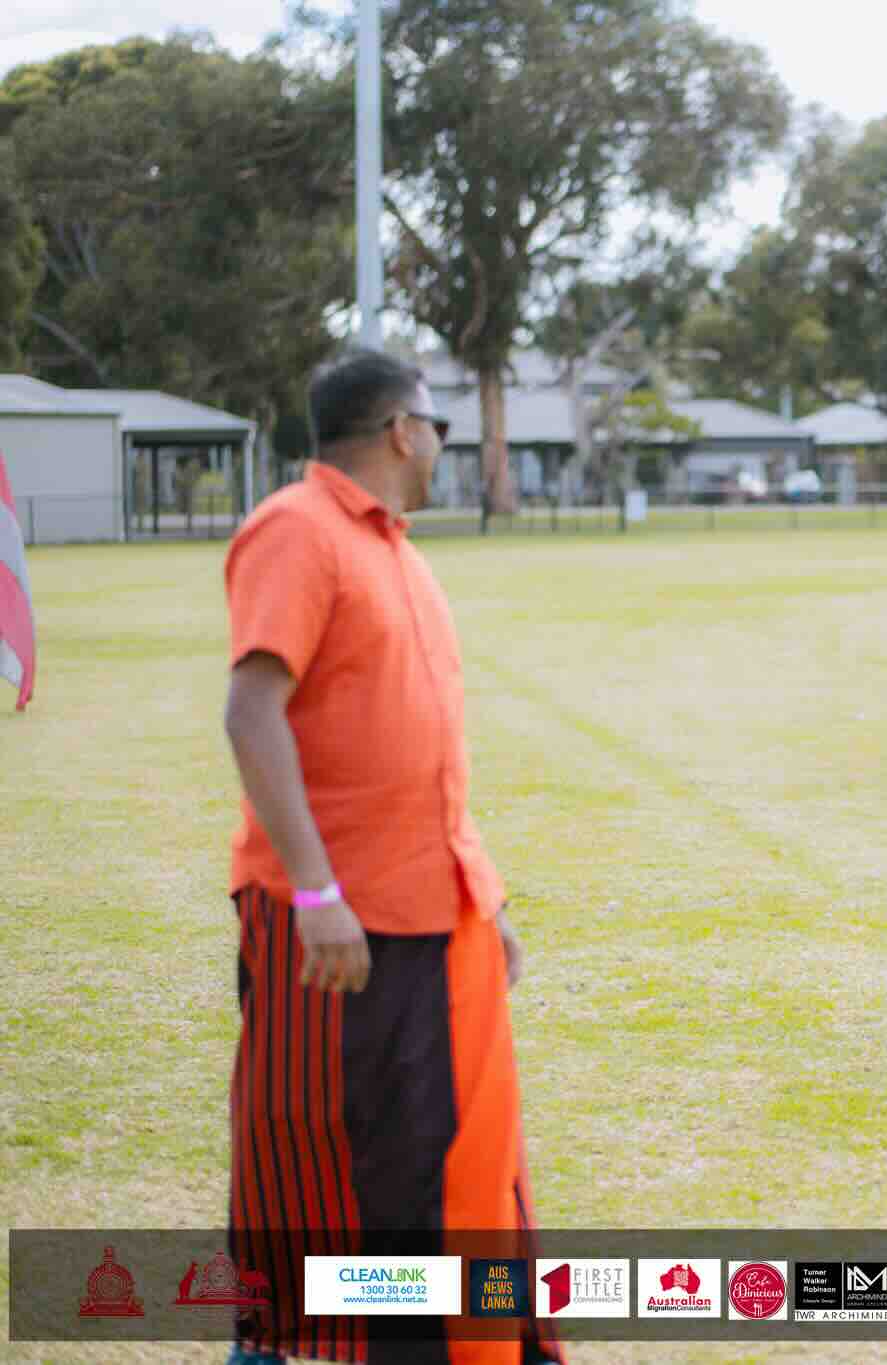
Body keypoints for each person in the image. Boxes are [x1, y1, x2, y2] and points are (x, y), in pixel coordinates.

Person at [220, 349, 555, 1365]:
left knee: (449, 1160)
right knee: (330, 1161)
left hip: (434, 912)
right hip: (343, 926)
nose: (443, 444)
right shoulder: (296, 528)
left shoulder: (395, 550)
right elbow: (251, 712)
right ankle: (281, 1348)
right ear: (402, 430)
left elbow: (415, 747)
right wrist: (316, 892)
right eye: (438, 425)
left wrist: (483, 899)